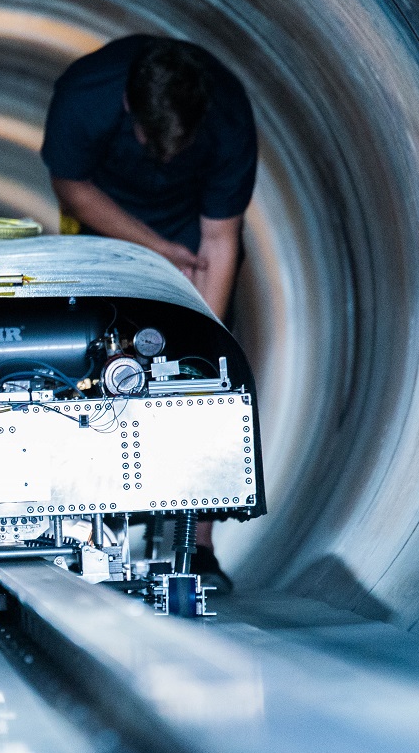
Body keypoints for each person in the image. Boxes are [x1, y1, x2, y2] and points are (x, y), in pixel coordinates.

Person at [40, 35, 257, 586]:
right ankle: (89, 520)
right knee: (92, 362)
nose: (163, 154)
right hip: (104, 224)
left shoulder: (228, 116)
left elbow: (220, 240)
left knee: (209, 375)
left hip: (190, 230)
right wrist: (156, 252)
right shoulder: (85, 95)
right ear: (128, 106)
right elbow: (71, 186)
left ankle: (199, 541)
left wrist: (204, 342)